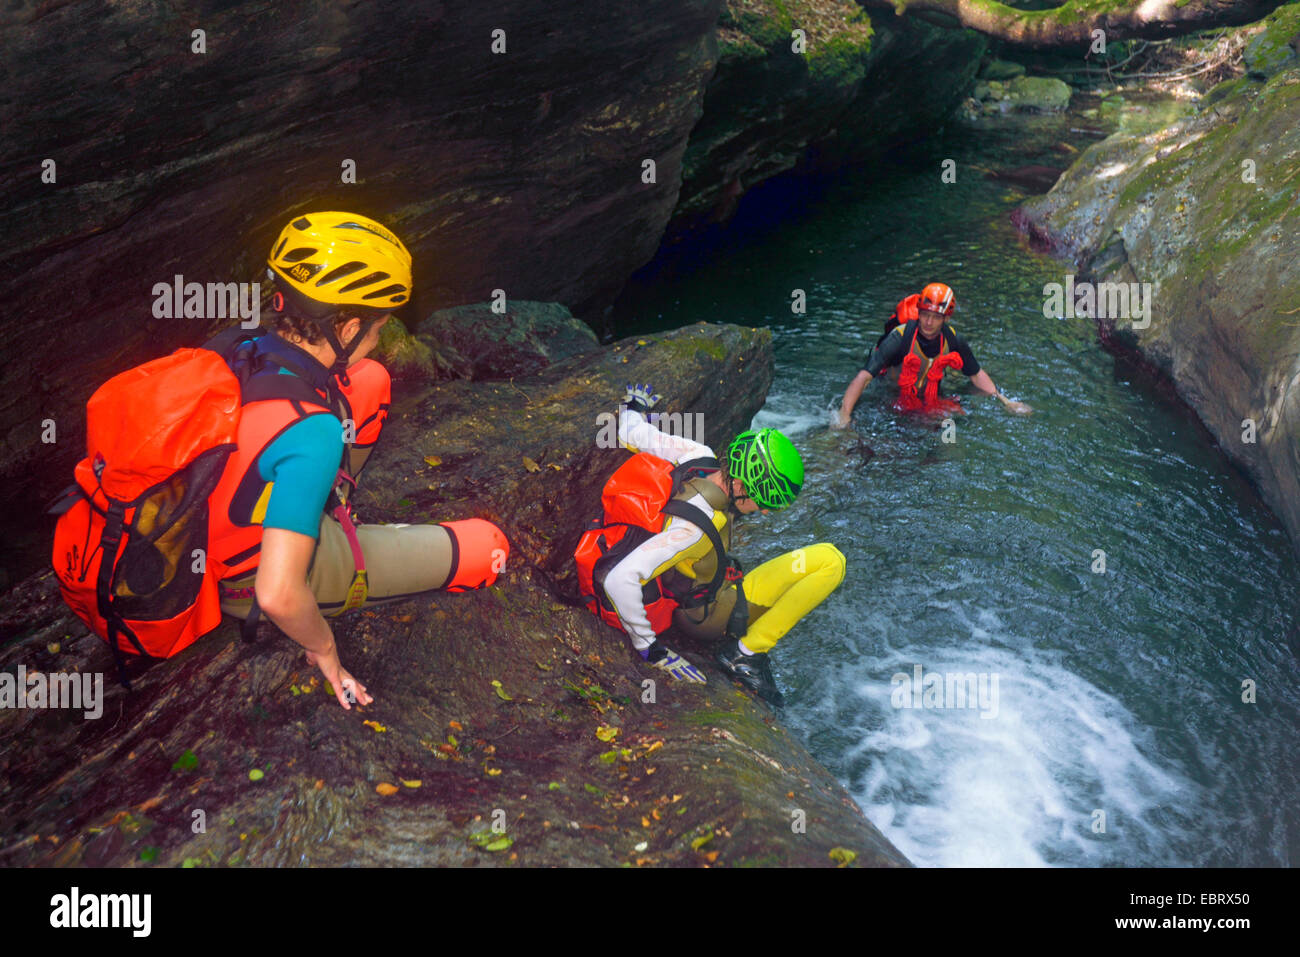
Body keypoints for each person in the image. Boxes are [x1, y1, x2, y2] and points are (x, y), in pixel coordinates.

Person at [208, 211, 509, 710]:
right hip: (246, 574)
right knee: (489, 548)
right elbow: (278, 593)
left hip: (221, 509)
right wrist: (323, 647)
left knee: (369, 379)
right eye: (376, 327)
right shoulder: (312, 429)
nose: (379, 337)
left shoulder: (237, 347)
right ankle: (324, 526)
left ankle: (323, 501)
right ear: (345, 326)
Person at [600, 385, 846, 705]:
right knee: (831, 562)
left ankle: (743, 650)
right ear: (742, 486)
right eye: (762, 502)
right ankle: (745, 655)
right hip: (705, 618)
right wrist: (650, 648)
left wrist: (633, 407)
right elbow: (620, 579)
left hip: (703, 588)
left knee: (825, 559)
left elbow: (631, 433)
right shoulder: (694, 529)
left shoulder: (698, 456)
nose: (766, 511)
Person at [835, 282, 1031, 426]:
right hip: (890, 396)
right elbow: (864, 376)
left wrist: (1005, 401)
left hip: (929, 398)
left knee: (953, 428)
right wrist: (844, 414)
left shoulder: (953, 340)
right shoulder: (900, 337)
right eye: (925, 315)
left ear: (946, 317)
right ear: (918, 313)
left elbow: (976, 373)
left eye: (936, 317)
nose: (928, 322)